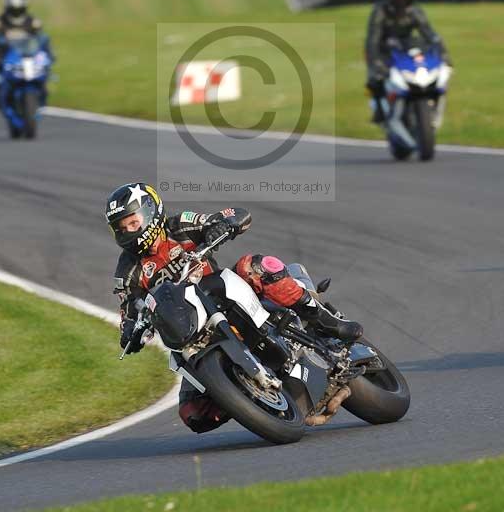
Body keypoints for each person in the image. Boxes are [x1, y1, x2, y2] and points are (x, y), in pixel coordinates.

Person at [106, 182, 363, 434]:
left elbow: (234, 215)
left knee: (253, 266)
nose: (129, 231)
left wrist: (222, 226)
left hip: (219, 294)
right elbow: (128, 309)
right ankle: (247, 396)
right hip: (190, 330)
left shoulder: (179, 225)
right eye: (122, 227)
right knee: (193, 414)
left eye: (133, 222)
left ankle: (324, 320)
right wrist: (130, 331)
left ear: (151, 213)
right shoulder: (128, 271)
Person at [365, 0, 452, 123]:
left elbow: (430, 34)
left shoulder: (415, 12)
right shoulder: (379, 11)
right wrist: (376, 63)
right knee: (375, 79)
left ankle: (426, 107)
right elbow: (372, 39)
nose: (401, 2)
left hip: (404, 46)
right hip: (382, 47)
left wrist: (443, 54)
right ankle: (380, 110)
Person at [0, 0, 48, 106]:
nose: (16, 12)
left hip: (28, 56)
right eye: (13, 9)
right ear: (8, 8)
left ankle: (42, 93)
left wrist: (46, 54)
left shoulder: (33, 22)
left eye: (19, 9)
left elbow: (42, 40)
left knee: (45, 70)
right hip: (4, 56)